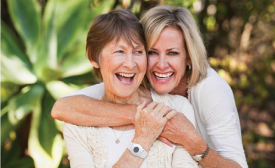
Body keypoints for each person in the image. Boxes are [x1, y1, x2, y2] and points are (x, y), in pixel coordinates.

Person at [52, 6, 248, 168]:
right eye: (152, 52)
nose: (161, 64)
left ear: (189, 57)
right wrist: (144, 123)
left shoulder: (208, 91)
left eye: (172, 53)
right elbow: (62, 108)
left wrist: (193, 142)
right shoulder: (125, 85)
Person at [62, 9, 198, 168]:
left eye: (138, 51)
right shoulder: (77, 125)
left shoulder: (177, 108)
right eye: (119, 51)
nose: (130, 63)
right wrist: (142, 140)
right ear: (93, 57)